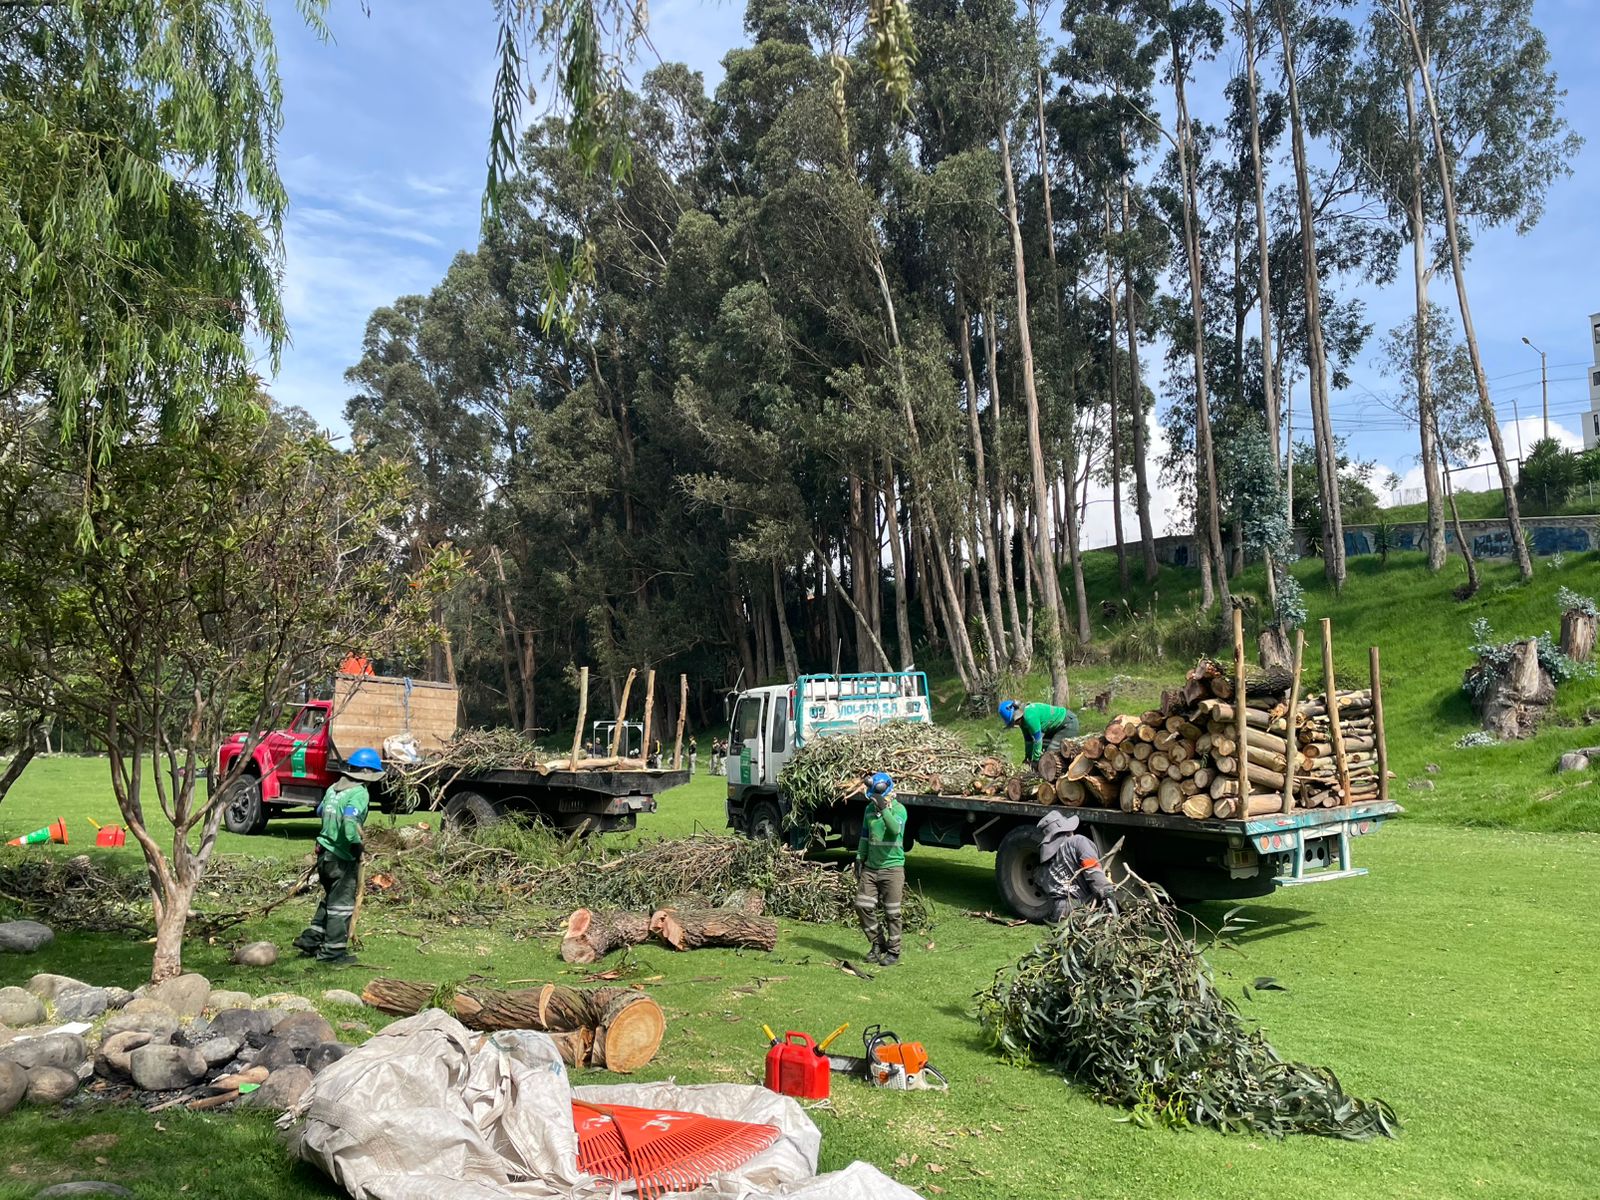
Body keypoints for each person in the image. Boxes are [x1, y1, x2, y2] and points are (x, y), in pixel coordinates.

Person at [292, 746, 382, 966]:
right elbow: (350, 824)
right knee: (341, 905)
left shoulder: (334, 788)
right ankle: (332, 954)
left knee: (330, 899)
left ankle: (311, 939)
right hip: (341, 857)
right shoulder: (359, 792)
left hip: (324, 853)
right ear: (368, 774)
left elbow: (321, 811)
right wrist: (357, 847)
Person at [854, 771, 907, 966]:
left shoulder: (899, 810)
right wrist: (859, 857)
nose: (874, 799)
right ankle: (878, 943)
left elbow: (894, 830)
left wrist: (884, 809)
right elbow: (865, 836)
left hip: (893, 869)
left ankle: (894, 951)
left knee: (892, 912)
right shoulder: (869, 810)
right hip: (871, 868)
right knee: (862, 905)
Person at [1036, 811, 1117, 921]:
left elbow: (1043, 882)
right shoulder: (1078, 842)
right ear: (1068, 830)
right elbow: (1092, 871)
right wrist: (1108, 894)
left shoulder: (1047, 857)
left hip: (1058, 911)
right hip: (1080, 908)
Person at [998, 699, 1080, 767]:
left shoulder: (1030, 716)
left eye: (1014, 721)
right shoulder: (1022, 722)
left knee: (1050, 754)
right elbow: (1028, 741)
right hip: (1054, 728)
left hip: (1067, 724)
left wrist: (1035, 760)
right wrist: (1028, 758)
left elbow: (1037, 740)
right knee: (1043, 751)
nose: (1015, 724)